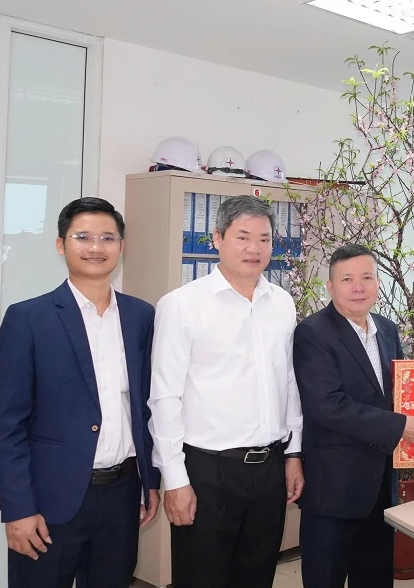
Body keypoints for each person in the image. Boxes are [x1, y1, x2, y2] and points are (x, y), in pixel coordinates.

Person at [0, 197, 160, 588]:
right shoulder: (28, 319)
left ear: (121, 246)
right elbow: (9, 425)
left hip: (122, 495)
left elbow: (144, 408)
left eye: (107, 238)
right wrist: (17, 509)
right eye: (83, 237)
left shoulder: (140, 316)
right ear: (60, 244)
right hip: (50, 501)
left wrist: (149, 481)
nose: (96, 247)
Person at [148, 195, 304, 588]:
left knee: (257, 575)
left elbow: (289, 381)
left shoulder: (282, 303)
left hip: (269, 468)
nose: (254, 248)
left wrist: (293, 454)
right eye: (243, 237)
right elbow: (164, 397)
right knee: (201, 577)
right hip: (208, 471)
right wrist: (175, 478)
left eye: (264, 239)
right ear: (217, 238)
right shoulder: (182, 305)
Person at [293, 244, 414, 588]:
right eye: (347, 279)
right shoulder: (313, 332)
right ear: (330, 287)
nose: (358, 287)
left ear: (378, 283)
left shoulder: (387, 330)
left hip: (380, 485)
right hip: (333, 489)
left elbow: (401, 395)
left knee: (375, 578)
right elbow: (328, 406)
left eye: (367, 277)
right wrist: (402, 426)